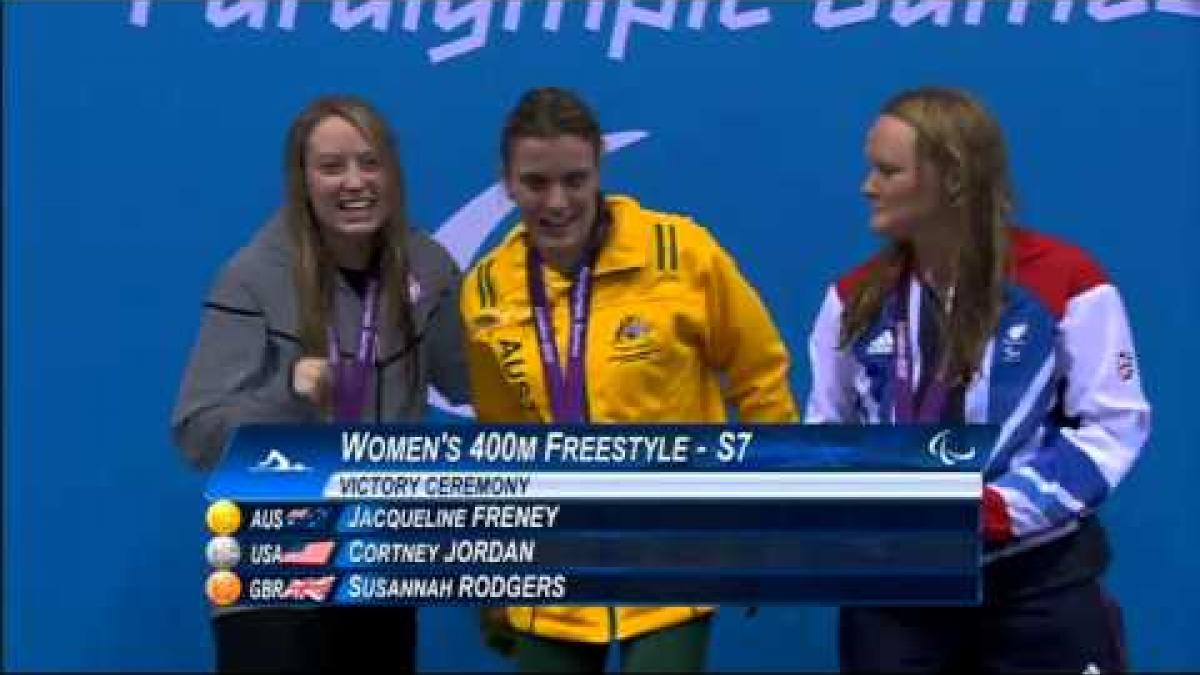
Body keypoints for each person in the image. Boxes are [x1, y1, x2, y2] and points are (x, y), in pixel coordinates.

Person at [804, 86, 1151, 673]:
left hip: (1038, 586)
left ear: (954, 178)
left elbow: (1112, 427)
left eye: (888, 171)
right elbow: (829, 435)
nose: (868, 186)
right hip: (898, 596)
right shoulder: (852, 299)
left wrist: (999, 509)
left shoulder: (1067, 281)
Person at [459, 86, 800, 673]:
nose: (558, 201)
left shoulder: (679, 253)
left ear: (599, 171)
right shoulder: (487, 289)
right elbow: (499, 440)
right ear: (508, 183)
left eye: (575, 179)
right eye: (536, 183)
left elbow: (759, 377)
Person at [171, 95, 470, 672]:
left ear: (394, 171)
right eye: (332, 167)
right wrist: (288, 391)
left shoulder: (428, 267)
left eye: (370, 162)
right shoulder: (253, 275)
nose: (354, 182)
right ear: (302, 181)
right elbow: (196, 430)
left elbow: (466, 381)